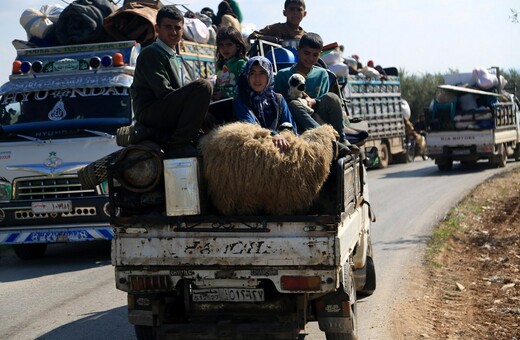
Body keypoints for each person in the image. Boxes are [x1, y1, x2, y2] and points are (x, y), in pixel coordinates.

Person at [129, 5, 212, 156]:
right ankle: (180, 142)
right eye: (168, 27)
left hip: (165, 107)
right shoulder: (151, 54)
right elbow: (164, 92)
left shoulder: (174, 55)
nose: (174, 32)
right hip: (150, 112)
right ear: (157, 28)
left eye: (177, 28)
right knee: (203, 87)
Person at [273, 32, 349, 144]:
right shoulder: (282, 75)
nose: (310, 58)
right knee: (293, 104)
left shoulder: (322, 74)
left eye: (315, 55)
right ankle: (327, 138)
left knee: (332, 97)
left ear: (320, 55)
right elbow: (278, 103)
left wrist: (313, 101)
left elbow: (323, 98)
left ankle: (341, 139)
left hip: (319, 116)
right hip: (296, 119)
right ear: (298, 50)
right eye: (306, 53)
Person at [233, 56, 298, 151]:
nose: (257, 78)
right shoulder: (241, 100)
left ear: (269, 74)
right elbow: (250, 127)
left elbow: (290, 125)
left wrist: (284, 136)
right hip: (253, 149)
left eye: (262, 73)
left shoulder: (278, 99)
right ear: (247, 76)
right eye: (252, 73)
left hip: (281, 146)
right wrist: (273, 135)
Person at [213, 26, 248, 101]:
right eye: (221, 45)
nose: (225, 48)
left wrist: (224, 94)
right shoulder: (220, 65)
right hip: (219, 102)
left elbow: (243, 88)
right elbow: (217, 85)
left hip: (235, 102)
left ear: (238, 46)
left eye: (229, 44)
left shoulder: (241, 63)